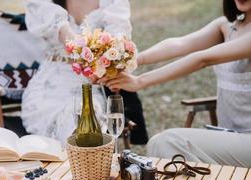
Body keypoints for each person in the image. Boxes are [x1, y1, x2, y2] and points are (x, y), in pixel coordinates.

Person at [99, 0, 251, 167]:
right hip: (228, 135)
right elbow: (180, 44)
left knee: (166, 143)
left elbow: (203, 59)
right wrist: (129, 62)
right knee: (162, 145)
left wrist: (139, 81)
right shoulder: (227, 26)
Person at [21, 0, 148, 145]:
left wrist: (112, 59)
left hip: (95, 83)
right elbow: (66, 35)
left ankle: (84, 162)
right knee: (67, 119)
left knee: (86, 116)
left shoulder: (113, 3)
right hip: (52, 84)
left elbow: (120, 39)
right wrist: (87, 51)